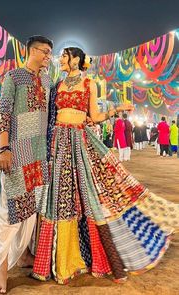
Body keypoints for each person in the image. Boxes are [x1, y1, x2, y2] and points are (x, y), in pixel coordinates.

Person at [31, 47, 179, 285]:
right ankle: (63, 262)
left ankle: (104, 259)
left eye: (64, 56)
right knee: (60, 199)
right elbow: (50, 116)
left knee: (91, 196)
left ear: (76, 59)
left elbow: (95, 116)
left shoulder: (89, 83)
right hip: (59, 145)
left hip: (80, 143)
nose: (61, 59)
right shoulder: (56, 85)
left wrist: (117, 109)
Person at [0, 35, 53, 294]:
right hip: (16, 151)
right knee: (10, 209)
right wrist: (3, 148)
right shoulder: (13, 77)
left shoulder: (48, 80)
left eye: (51, 52)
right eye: (45, 51)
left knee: (32, 208)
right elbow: (4, 113)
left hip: (39, 153)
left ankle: (26, 254)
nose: (49, 56)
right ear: (32, 51)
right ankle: (2, 269)